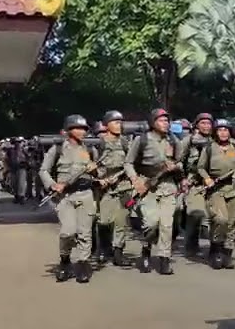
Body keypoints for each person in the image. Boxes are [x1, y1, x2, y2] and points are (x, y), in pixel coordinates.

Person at [41, 115, 99, 283]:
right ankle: (65, 260)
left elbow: (99, 173)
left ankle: (83, 263)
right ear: (68, 130)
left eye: (84, 129)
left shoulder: (90, 150)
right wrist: (52, 185)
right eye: (77, 128)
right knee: (68, 231)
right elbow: (43, 170)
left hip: (85, 194)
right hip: (65, 196)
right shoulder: (57, 149)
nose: (82, 131)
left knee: (85, 233)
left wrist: (95, 170)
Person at [124, 108, 182, 275]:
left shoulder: (173, 140)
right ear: (153, 122)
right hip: (147, 185)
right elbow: (128, 163)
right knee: (151, 223)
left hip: (167, 185)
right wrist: (135, 180)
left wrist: (175, 167)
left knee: (166, 225)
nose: (166, 123)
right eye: (161, 120)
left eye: (167, 120)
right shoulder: (141, 140)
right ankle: (146, 248)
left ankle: (164, 259)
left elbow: (180, 161)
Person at [200, 118, 235, 269]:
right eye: (220, 130)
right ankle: (216, 248)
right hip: (216, 189)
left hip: (233, 188)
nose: (223, 133)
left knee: (232, 221)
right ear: (215, 132)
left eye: (226, 130)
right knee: (220, 219)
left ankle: (228, 253)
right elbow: (201, 167)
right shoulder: (209, 148)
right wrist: (206, 178)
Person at [94, 111, 133, 266]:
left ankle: (118, 252)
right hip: (104, 189)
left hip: (123, 187)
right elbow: (87, 166)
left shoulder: (125, 142)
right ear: (106, 125)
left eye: (120, 122)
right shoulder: (98, 143)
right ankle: (104, 249)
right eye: (115, 122)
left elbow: (132, 162)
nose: (119, 125)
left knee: (121, 221)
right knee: (104, 221)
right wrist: (99, 180)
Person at [177, 113, 214, 257]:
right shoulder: (189, 141)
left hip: (214, 183)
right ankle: (191, 245)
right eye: (203, 123)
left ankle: (216, 248)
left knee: (217, 216)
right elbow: (179, 161)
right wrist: (182, 179)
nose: (206, 126)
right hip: (195, 183)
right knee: (196, 214)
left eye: (209, 123)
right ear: (197, 125)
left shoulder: (216, 140)